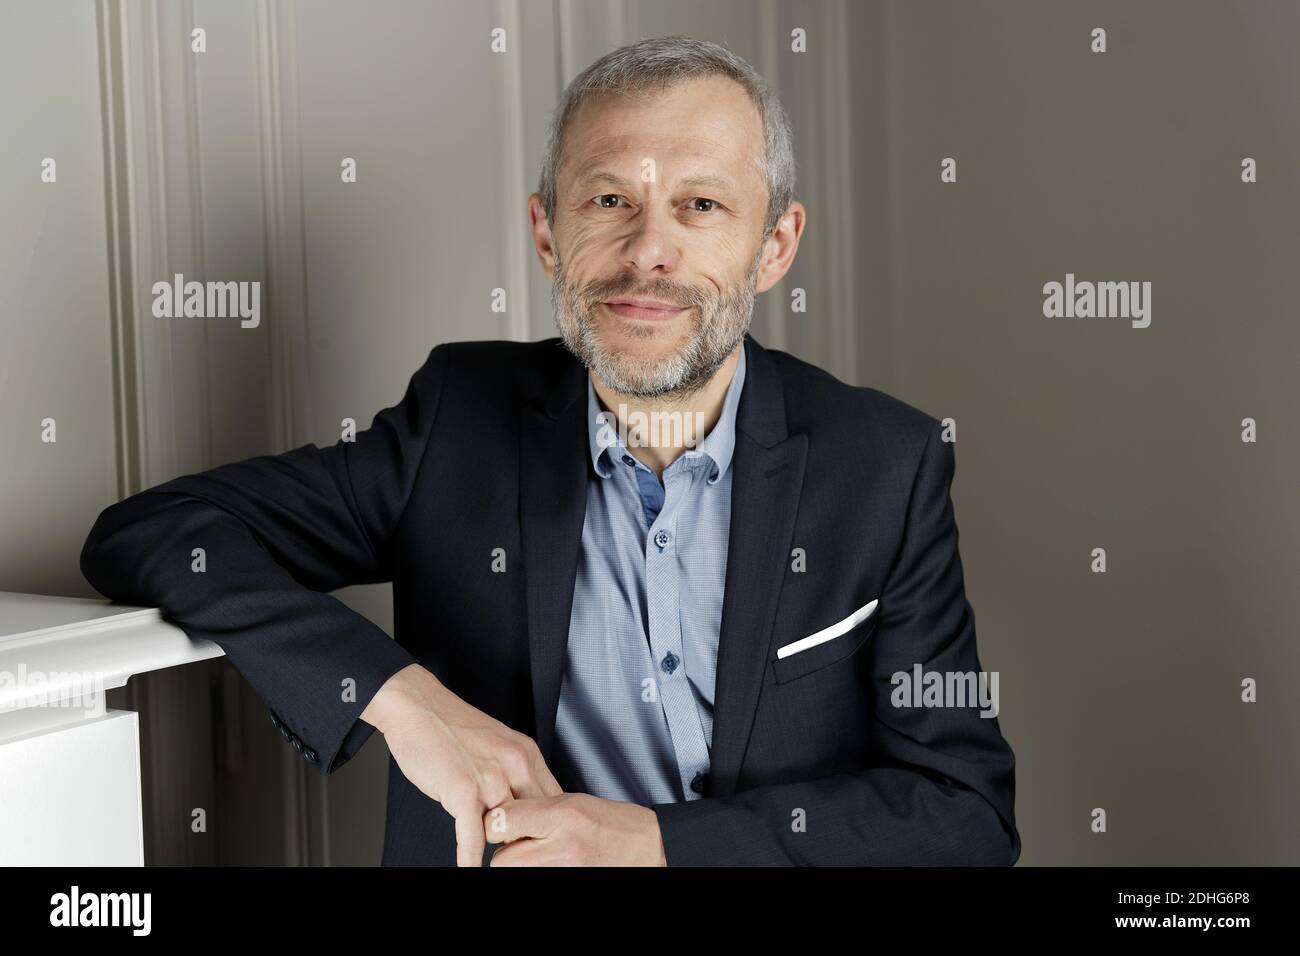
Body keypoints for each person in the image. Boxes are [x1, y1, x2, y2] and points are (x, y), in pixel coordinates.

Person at [81, 35, 1019, 867]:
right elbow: (155, 531)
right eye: (609, 199)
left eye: (699, 205)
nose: (648, 251)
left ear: (774, 247)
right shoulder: (457, 423)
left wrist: (658, 846)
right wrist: (406, 702)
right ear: (546, 233)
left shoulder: (886, 463)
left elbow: (965, 815)